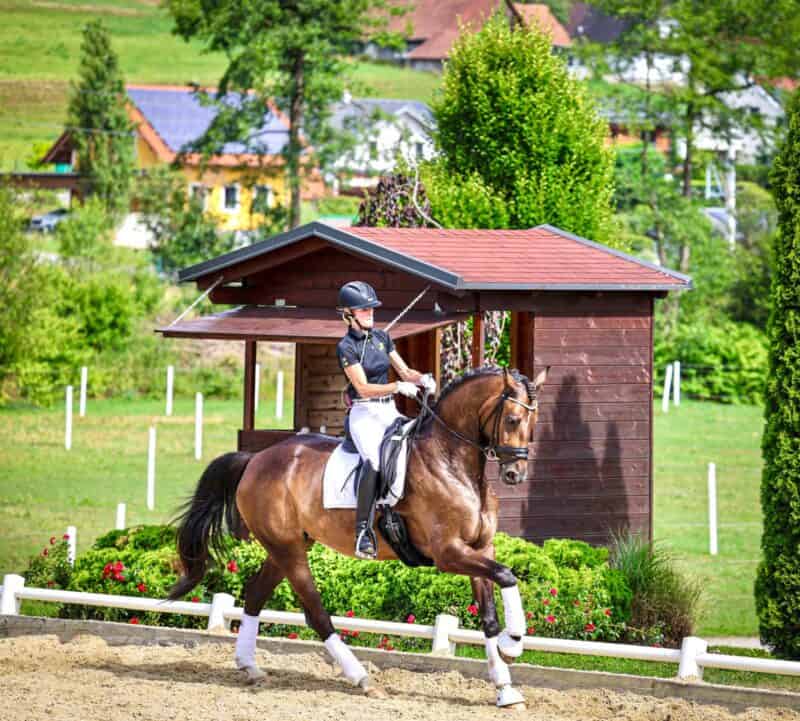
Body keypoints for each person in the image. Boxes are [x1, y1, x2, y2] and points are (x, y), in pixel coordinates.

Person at [336, 280, 437, 559]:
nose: (370, 313)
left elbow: (404, 372)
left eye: (371, 309)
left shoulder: (382, 338)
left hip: (387, 410)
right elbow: (364, 388)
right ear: (348, 314)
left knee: (413, 445)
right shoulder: (346, 347)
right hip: (364, 413)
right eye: (364, 310)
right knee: (376, 461)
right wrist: (395, 387)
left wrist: (422, 378)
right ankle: (363, 533)